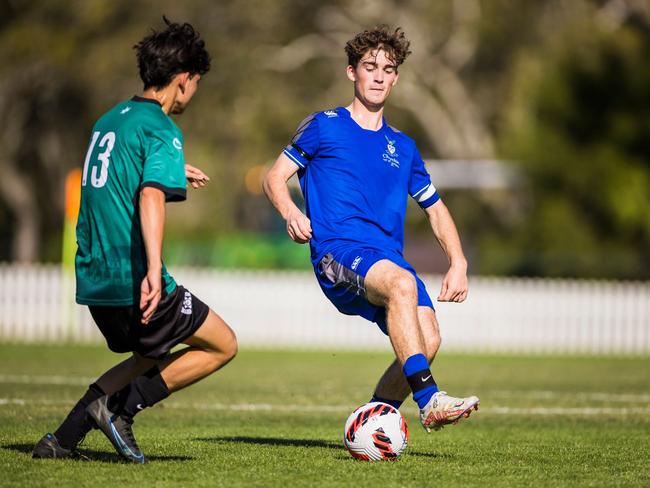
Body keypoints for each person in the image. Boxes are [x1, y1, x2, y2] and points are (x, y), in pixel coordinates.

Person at [33, 18, 237, 464]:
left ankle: (62, 440)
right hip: (133, 275)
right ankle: (119, 411)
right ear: (184, 80)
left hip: (94, 277)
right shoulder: (160, 128)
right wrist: (152, 270)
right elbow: (148, 196)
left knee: (146, 355)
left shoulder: (111, 120)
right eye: (196, 83)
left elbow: (115, 180)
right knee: (222, 344)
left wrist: (170, 170)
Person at [263, 25, 479, 433]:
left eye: (388, 69)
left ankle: (372, 421)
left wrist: (459, 261)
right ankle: (429, 400)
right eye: (370, 66)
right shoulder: (324, 126)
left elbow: (434, 208)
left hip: (386, 259)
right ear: (352, 72)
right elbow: (274, 177)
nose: (379, 76)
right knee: (401, 285)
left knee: (427, 341)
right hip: (338, 251)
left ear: (396, 78)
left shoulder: (405, 147)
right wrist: (290, 212)